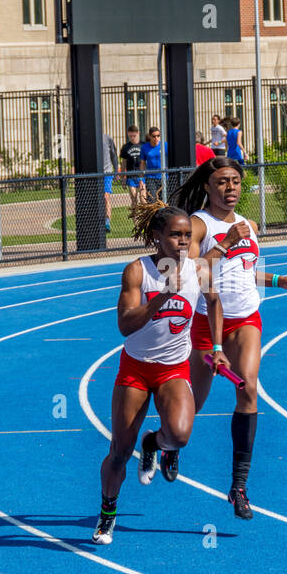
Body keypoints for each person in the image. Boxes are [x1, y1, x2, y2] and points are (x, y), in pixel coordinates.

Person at [172, 157, 287, 520]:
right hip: (206, 323)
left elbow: (246, 271)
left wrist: (281, 280)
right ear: (207, 186)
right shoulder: (199, 225)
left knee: (248, 387)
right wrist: (225, 243)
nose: (230, 187)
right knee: (192, 408)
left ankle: (238, 487)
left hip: (247, 318)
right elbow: (189, 273)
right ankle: (167, 443)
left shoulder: (249, 224)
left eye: (235, 181)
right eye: (222, 182)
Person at [92, 200, 229, 546]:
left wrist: (216, 348)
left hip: (173, 368)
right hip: (136, 371)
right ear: (156, 237)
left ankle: (155, 443)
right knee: (120, 452)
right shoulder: (138, 271)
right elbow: (125, 325)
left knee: (181, 435)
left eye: (187, 236)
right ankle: (108, 512)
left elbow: (214, 304)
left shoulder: (198, 271)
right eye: (175, 236)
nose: (183, 242)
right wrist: (160, 298)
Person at [119, 125, 146, 207]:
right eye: (130, 136)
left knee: (143, 199)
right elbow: (123, 163)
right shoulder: (125, 147)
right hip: (131, 176)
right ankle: (135, 220)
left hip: (142, 176)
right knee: (134, 200)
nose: (132, 138)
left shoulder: (144, 145)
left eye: (134, 136)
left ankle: (145, 219)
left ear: (138, 133)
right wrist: (123, 177)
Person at [141, 126, 166, 203]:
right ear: (149, 136)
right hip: (150, 177)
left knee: (163, 200)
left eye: (158, 136)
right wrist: (141, 179)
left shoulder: (165, 145)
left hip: (163, 177)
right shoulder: (144, 147)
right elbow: (142, 163)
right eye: (154, 136)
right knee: (152, 200)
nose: (156, 138)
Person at [102, 132, 119, 232]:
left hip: (107, 172)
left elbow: (114, 155)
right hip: (94, 173)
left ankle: (107, 223)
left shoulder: (107, 138)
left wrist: (116, 171)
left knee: (106, 197)